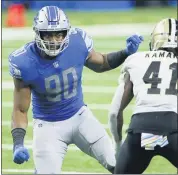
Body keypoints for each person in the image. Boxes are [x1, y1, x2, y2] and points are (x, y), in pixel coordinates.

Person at [9, 6, 143, 174]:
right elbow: (20, 109)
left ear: (66, 32)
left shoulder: (77, 42)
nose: (54, 40)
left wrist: (125, 52)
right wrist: (18, 143)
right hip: (48, 127)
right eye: (48, 34)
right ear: (38, 33)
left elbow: (101, 63)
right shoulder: (24, 62)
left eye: (59, 34)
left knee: (120, 165)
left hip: (80, 118)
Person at [108, 18, 178, 174]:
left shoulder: (136, 60)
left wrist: (118, 145)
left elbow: (114, 112)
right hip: (171, 133)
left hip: (141, 135)